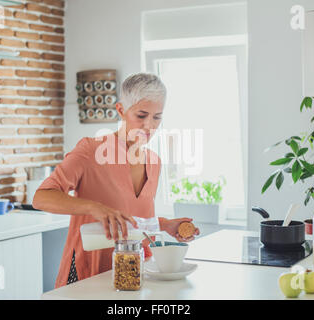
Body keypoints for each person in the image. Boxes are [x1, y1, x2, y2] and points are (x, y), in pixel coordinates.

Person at [33, 73, 200, 288]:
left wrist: (166, 225)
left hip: (134, 275)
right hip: (88, 275)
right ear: (121, 110)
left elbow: (134, 222)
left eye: (157, 117)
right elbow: (41, 197)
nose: (149, 125)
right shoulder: (90, 150)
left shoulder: (154, 162)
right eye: (141, 115)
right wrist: (94, 208)